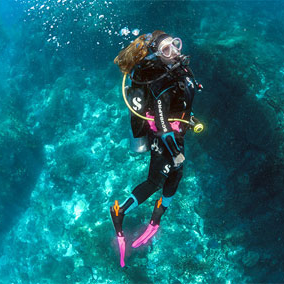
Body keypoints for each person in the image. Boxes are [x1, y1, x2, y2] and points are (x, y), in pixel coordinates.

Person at [111, 30, 201, 267]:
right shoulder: (162, 84)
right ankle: (119, 212)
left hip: (177, 135)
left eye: (175, 44)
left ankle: (155, 220)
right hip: (165, 140)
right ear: (159, 56)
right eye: (166, 50)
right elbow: (161, 125)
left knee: (176, 175)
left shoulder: (180, 71)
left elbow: (181, 105)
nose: (174, 52)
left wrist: (188, 120)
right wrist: (176, 153)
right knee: (155, 181)